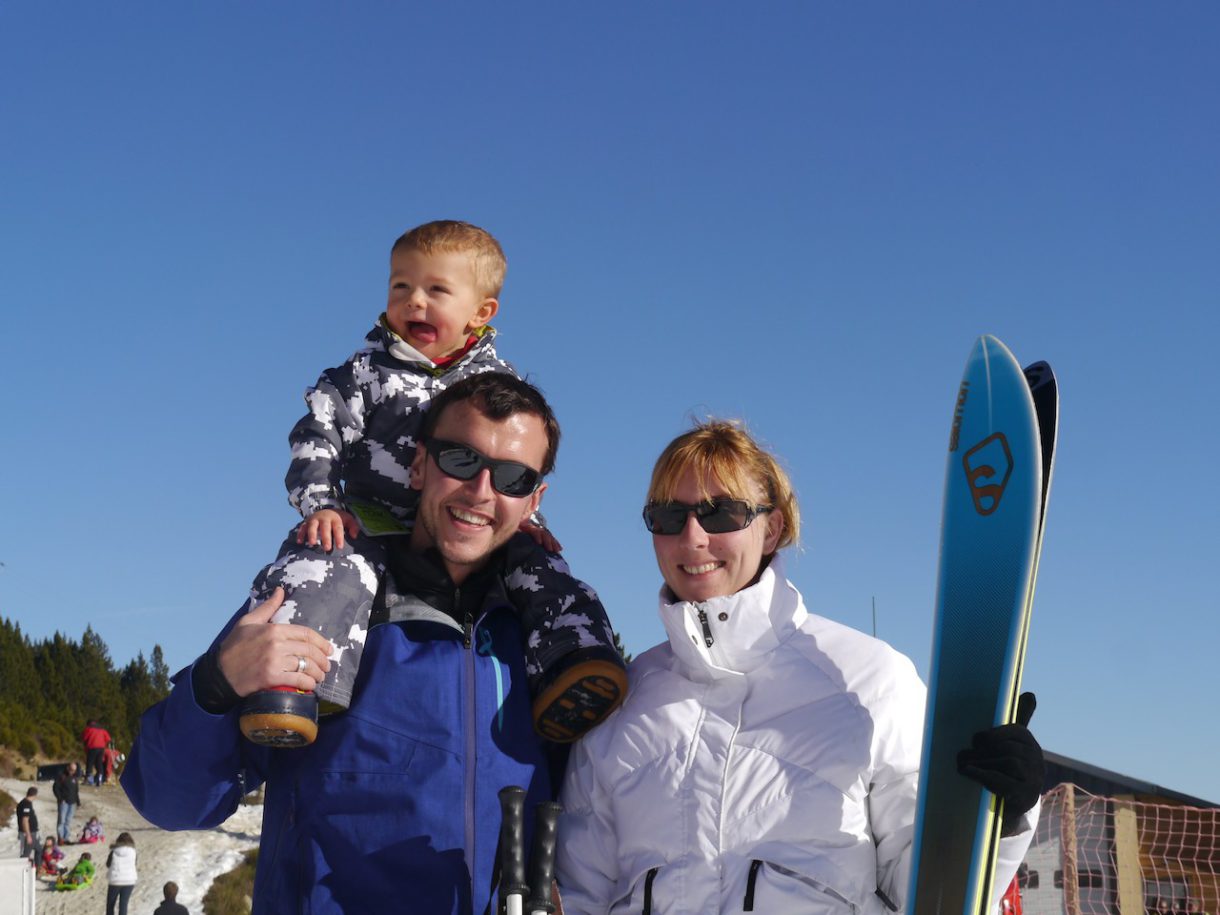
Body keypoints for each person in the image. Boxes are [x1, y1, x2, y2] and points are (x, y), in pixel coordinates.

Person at [124, 374, 593, 914]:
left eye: (513, 477)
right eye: (460, 460)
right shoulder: (327, 604)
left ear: (535, 498)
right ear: (418, 465)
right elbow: (168, 800)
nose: (481, 492)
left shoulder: (545, 648)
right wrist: (215, 684)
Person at [557, 420, 1045, 913]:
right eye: (668, 516)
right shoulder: (623, 706)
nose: (693, 536)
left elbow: (925, 886)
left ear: (773, 529)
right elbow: (581, 893)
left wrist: (999, 816)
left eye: (720, 513)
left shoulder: (869, 680)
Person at [239, 219, 623, 748]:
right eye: (401, 286)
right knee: (326, 565)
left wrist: (529, 522)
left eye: (436, 290)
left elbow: (514, 461)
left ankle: (570, 662)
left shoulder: (496, 387)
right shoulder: (364, 374)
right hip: (370, 519)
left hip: (472, 533)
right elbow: (317, 436)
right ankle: (297, 681)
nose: (414, 301)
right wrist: (322, 503)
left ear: (481, 312)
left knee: (542, 568)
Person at [106, 832, 138, 915]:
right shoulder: (133, 851)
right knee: (123, 905)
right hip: (129, 880)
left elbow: (108, 864)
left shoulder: (114, 851)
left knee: (110, 905)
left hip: (115, 880)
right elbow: (135, 864)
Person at [53, 762, 81, 842]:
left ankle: (66, 838)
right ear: (68, 768)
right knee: (61, 820)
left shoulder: (75, 779)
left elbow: (76, 791)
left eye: (74, 770)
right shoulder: (62, 777)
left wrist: (78, 802)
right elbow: (56, 788)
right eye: (71, 769)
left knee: (68, 821)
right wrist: (60, 799)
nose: (72, 771)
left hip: (72, 803)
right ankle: (61, 838)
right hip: (63, 803)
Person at [82, 719, 111, 784]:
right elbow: (108, 739)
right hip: (101, 748)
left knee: (89, 764)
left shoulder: (88, 729)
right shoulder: (102, 729)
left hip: (92, 747)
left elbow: (84, 738)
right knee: (99, 764)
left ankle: (89, 780)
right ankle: (99, 780)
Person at [15, 786, 39, 863]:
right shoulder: (26, 805)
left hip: (32, 832)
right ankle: (22, 869)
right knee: (26, 854)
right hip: (29, 833)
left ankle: (38, 867)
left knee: (39, 849)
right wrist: (28, 835)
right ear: (35, 795)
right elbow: (25, 821)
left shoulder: (24, 803)